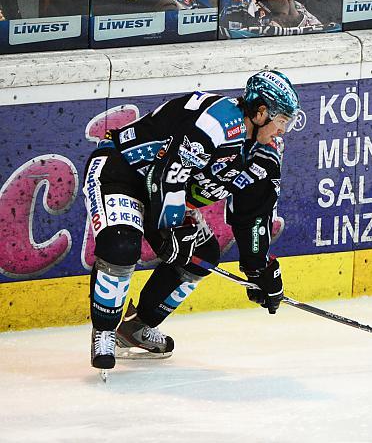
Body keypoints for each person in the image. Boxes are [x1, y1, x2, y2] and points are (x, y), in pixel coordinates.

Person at [84, 70, 300, 370]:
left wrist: (259, 269)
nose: (282, 131)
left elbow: (252, 217)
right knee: (122, 246)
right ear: (261, 112)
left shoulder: (264, 156)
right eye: (281, 121)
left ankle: (137, 329)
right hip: (121, 171)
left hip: (161, 188)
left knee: (202, 256)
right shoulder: (218, 124)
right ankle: (105, 330)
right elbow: (167, 174)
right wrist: (168, 229)